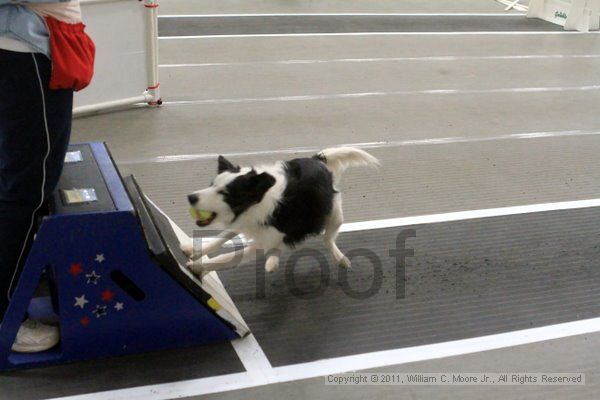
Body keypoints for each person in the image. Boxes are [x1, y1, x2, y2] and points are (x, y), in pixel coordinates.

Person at [0, 0, 94, 352]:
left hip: (25, 47)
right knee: (27, 189)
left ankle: (17, 270)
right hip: (22, 52)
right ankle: (5, 317)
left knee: (22, 178)